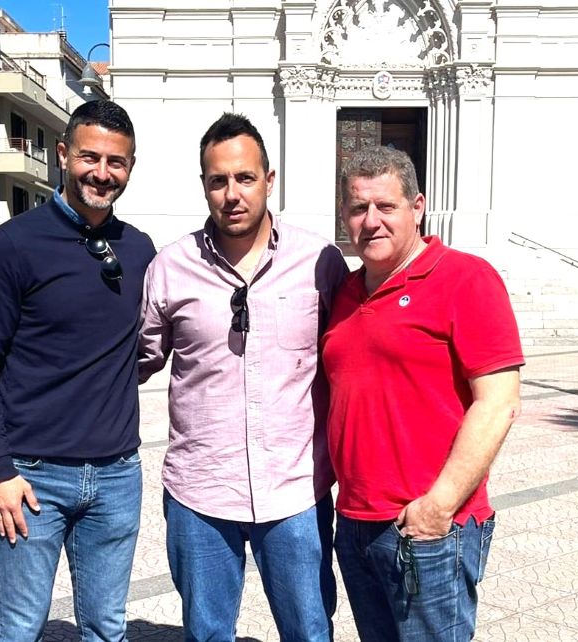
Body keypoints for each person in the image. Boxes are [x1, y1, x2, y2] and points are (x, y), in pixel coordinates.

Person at [139, 113, 347, 641]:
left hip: (295, 492)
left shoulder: (320, 262)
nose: (232, 194)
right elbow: (135, 360)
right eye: (218, 180)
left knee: (309, 632)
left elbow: (353, 357)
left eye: (245, 178)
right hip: (200, 494)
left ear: (269, 180)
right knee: (207, 634)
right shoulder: (170, 267)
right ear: (204, 185)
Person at [0, 99, 156, 642]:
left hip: (116, 475)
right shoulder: (11, 246)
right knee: (20, 627)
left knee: (107, 627)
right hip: (31, 476)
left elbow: (149, 342)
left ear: (130, 167)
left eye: (116, 162)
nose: (102, 173)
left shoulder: (139, 250)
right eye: (90, 157)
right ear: (64, 154)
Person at [322, 146, 524, 641]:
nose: (371, 221)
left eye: (385, 206)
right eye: (358, 208)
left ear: (417, 208)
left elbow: (499, 402)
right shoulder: (345, 292)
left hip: (429, 529)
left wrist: (438, 507)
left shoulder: (465, 278)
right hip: (356, 522)